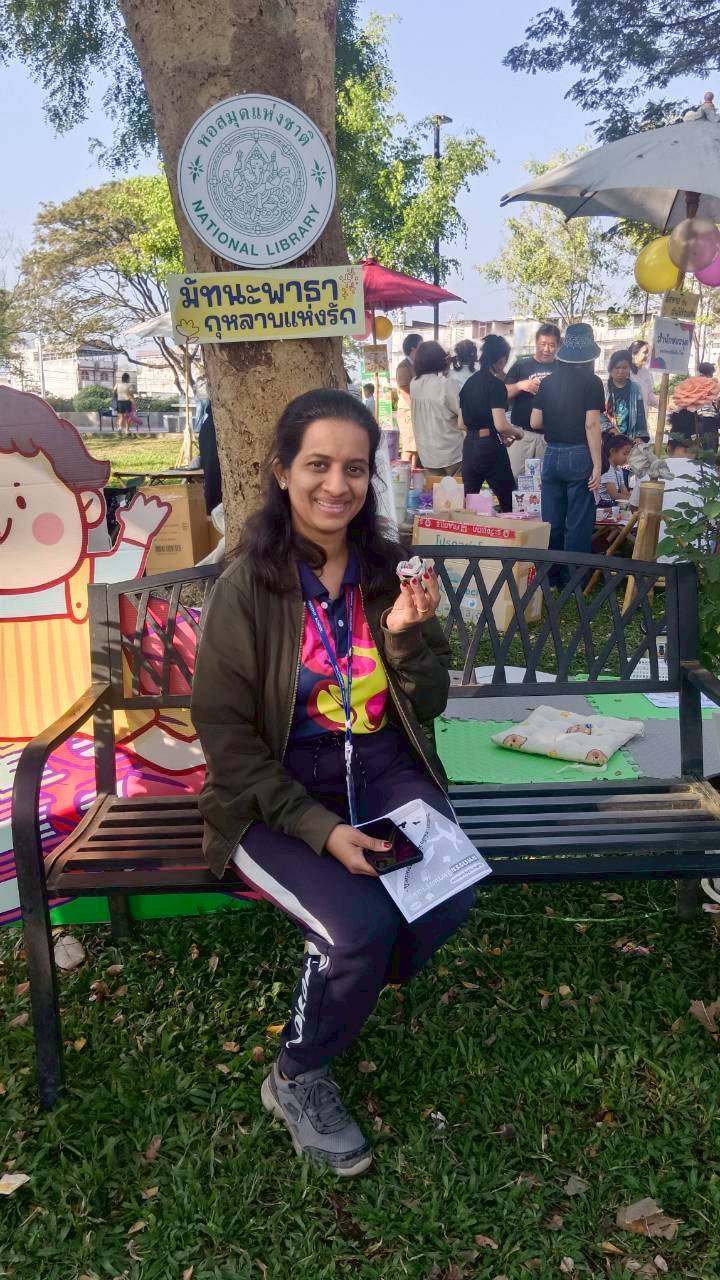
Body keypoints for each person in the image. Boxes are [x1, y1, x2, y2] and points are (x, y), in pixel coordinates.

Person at [191, 388, 474, 1177]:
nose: (336, 485)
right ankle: (297, 1074)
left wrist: (406, 639)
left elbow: (429, 702)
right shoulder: (247, 588)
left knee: (448, 888)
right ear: (283, 471)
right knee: (357, 930)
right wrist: (321, 831)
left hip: (381, 771)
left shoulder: (389, 572)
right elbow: (227, 742)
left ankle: (356, 984)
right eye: (317, 465)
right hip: (271, 797)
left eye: (354, 468)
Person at [530, 322, 604, 579]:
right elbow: (591, 424)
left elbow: (535, 422)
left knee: (552, 521)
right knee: (578, 522)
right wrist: (597, 464)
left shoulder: (547, 382)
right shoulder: (593, 382)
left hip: (551, 453)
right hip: (579, 453)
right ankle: (574, 581)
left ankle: (550, 577)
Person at [459, 334, 523, 511]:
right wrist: (517, 433)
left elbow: (461, 424)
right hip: (490, 449)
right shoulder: (495, 385)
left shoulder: (468, 384)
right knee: (509, 502)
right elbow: (501, 424)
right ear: (502, 360)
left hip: (469, 447)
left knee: (469, 504)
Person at [630, 436, 706, 563]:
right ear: (696, 448)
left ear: (669, 448)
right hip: (697, 559)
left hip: (649, 556)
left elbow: (635, 509)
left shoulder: (651, 470)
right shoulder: (709, 472)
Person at [505, 323, 561, 478]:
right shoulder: (521, 365)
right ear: (536, 343)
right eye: (543, 344)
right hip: (522, 435)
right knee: (514, 477)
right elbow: (502, 393)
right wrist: (520, 385)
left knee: (546, 480)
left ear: (558, 346)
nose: (546, 349)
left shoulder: (562, 369)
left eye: (551, 345)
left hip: (550, 437)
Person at [410, 340, 464, 475]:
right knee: (457, 488)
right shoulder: (447, 384)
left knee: (434, 488)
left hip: (427, 454)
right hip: (452, 453)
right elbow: (463, 413)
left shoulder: (413, 384)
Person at [606, 350, 649, 441]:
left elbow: (640, 414)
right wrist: (611, 429)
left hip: (630, 439)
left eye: (624, 368)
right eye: (617, 367)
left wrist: (640, 437)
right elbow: (599, 415)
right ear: (610, 369)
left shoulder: (636, 388)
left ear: (629, 368)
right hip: (608, 438)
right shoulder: (604, 389)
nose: (621, 371)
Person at [395, 333, 422, 460]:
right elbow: (404, 390)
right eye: (421, 345)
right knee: (409, 448)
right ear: (413, 348)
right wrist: (417, 408)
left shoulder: (417, 365)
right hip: (408, 411)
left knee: (415, 448)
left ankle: (412, 471)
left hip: (415, 410)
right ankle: (404, 471)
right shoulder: (403, 366)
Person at [599, 433, 633, 505]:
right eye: (625, 454)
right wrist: (634, 500)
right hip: (604, 506)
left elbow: (624, 492)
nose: (627, 457)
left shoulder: (619, 469)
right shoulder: (607, 469)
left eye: (629, 454)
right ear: (612, 451)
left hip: (613, 504)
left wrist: (635, 498)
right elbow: (614, 495)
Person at [629, 339, 659, 411]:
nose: (647, 355)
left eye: (648, 353)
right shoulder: (624, 372)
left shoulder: (646, 372)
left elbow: (649, 397)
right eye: (645, 352)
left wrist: (665, 407)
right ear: (634, 354)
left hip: (642, 416)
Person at [697, 362, 719, 453]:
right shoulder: (711, 383)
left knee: (703, 447)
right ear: (710, 372)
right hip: (709, 419)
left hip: (699, 418)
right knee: (710, 449)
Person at [113, 371, 135, 437]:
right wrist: (133, 403)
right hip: (127, 402)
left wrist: (118, 395)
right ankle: (127, 430)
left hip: (119, 402)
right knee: (127, 417)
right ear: (128, 378)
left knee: (121, 416)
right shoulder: (129, 385)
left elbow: (114, 391)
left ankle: (119, 428)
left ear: (122, 378)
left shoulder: (117, 384)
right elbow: (131, 395)